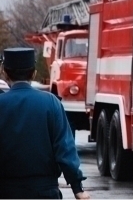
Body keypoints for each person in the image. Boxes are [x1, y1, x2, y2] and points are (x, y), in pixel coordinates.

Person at [0, 47, 90, 199]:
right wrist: (77, 188)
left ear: (4, 72)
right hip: (44, 191)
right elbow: (65, 149)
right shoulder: (51, 103)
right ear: (34, 72)